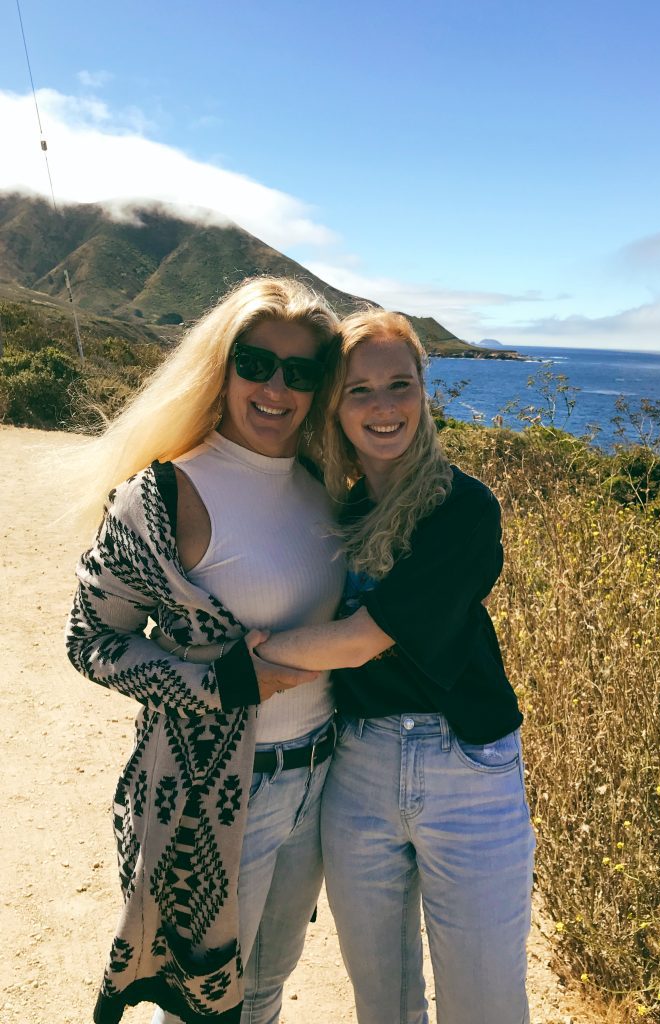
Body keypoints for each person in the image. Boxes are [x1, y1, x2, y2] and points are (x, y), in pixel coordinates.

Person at [238, 309, 536, 1023]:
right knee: (384, 999)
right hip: (360, 767)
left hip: (467, 767)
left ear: (423, 392)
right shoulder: (335, 510)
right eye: (358, 390)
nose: (383, 407)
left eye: (398, 385)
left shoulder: (462, 509)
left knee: (484, 1002)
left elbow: (361, 639)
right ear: (333, 406)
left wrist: (247, 655)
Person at [64, 277, 346, 1024]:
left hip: (318, 778)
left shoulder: (323, 485)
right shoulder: (162, 496)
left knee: (266, 989)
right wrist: (220, 682)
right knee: (200, 1005)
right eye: (255, 363)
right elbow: (90, 642)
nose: (276, 387)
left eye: (302, 371)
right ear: (220, 367)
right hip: (221, 793)